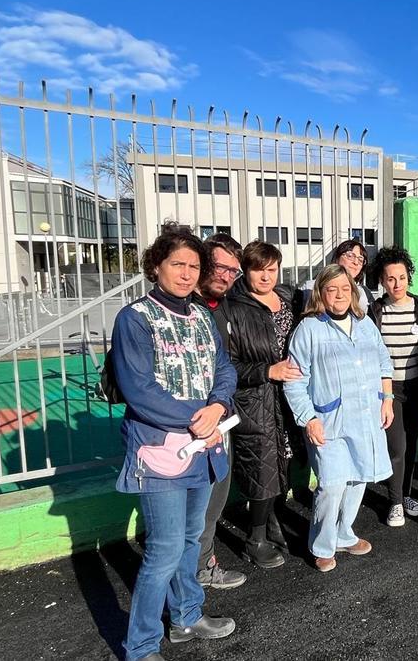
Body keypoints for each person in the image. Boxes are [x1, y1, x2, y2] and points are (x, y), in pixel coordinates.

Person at [110, 225, 237, 661]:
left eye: (194, 266)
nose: (186, 274)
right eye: (177, 264)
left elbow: (224, 368)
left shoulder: (202, 316)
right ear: (156, 266)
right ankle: (141, 645)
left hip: (203, 448)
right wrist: (196, 419)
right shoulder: (134, 318)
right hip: (160, 452)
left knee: (189, 538)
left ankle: (185, 617)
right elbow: (138, 388)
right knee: (163, 551)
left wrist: (218, 406)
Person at [284, 264, 394, 572]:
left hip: (366, 416)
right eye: (332, 290)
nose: (340, 295)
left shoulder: (364, 323)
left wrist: (387, 399)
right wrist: (309, 417)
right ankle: (322, 544)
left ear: (354, 292)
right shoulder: (308, 329)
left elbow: (384, 361)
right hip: (328, 420)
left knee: (359, 476)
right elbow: (294, 380)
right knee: (332, 484)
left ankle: (345, 534)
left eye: (345, 289)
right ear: (321, 293)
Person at [223, 241, 304, 568]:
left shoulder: (287, 299)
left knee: (281, 464)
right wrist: (266, 371)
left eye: (272, 269)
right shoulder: (234, 307)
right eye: (259, 269)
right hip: (255, 401)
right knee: (261, 468)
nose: (266, 276)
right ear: (246, 269)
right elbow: (226, 364)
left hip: (287, 399)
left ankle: (271, 522)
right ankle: (253, 539)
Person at [367, 246, 418, 527]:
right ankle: (394, 503)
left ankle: (404, 495)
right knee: (397, 448)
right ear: (381, 280)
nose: (397, 284)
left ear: (408, 278)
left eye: (401, 277)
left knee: (411, 445)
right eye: (390, 279)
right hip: (390, 392)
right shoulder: (374, 312)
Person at [193, 233, 247, 591]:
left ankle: (201, 566)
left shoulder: (224, 305)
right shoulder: (179, 308)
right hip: (182, 424)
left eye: (233, 270)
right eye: (219, 267)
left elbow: (225, 365)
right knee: (186, 507)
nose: (227, 276)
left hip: (219, 419)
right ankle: (187, 578)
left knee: (215, 497)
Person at [303, 239, 375, 308]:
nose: (356, 262)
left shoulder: (364, 293)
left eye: (360, 259)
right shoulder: (310, 288)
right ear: (337, 258)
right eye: (350, 256)